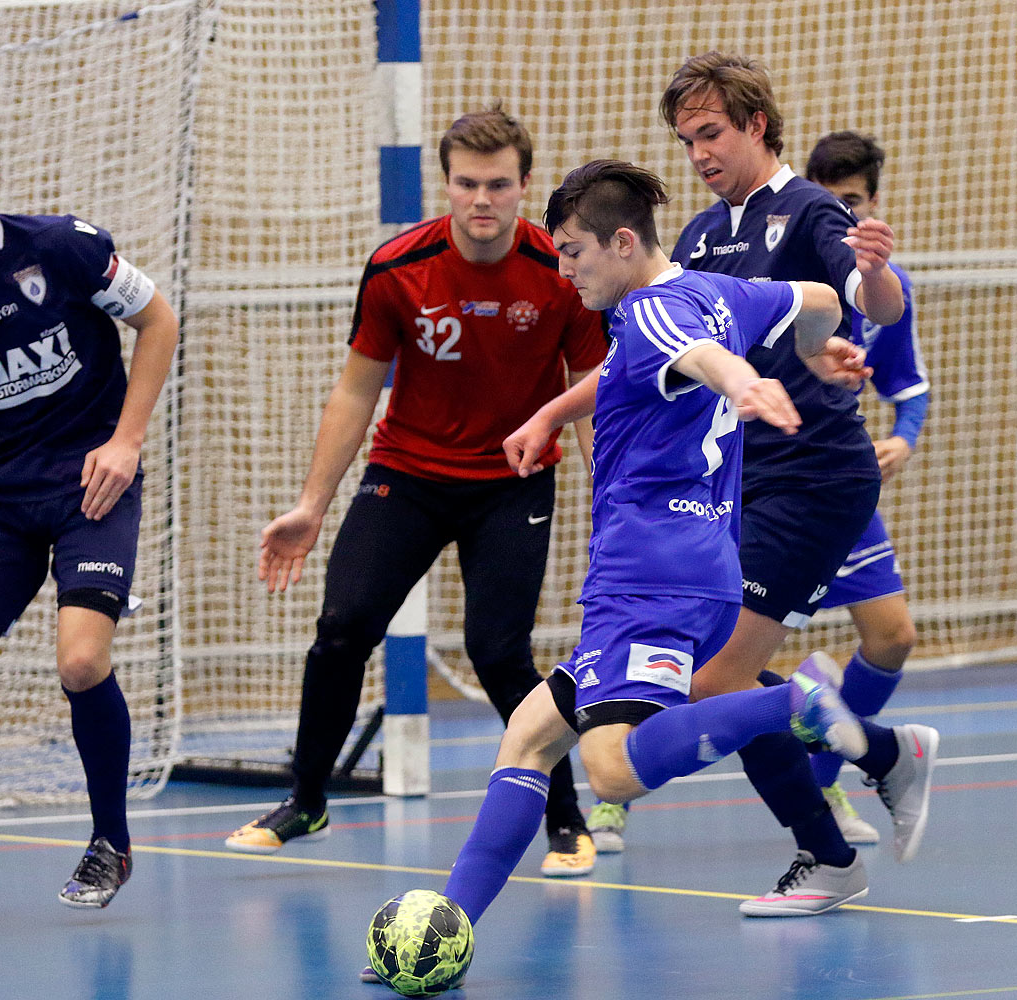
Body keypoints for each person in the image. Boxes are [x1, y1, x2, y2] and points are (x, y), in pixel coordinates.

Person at [369, 159, 879, 962]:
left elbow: (702, 358)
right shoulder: (720, 288)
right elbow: (815, 299)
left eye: (572, 252)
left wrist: (744, 380)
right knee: (532, 736)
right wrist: (819, 352)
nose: (563, 269)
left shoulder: (648, 315)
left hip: (647, 576)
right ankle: (449, 930)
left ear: (623, 241)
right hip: (699, 562)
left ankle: (795, 704)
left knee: (608, 772)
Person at [583, 52, 939, 917]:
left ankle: (841, 830)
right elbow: (661, 348)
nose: (699, 150)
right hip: (735, 488)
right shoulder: (703, 234)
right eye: (686, 138)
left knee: (713, 684)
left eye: (711, 132)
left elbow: (870, 301)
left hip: (814, 476)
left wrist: (878, 273)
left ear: (755, 126)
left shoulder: (807, 209)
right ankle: (881, 765)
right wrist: (549, 415)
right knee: (718, 682)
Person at [224, 104, 607, 878]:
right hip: (408, 473)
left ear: (525, 185)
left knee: (498, 651)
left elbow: (591, 389)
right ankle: (306, 799)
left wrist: (613, 508)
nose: (482, 201)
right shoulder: (399, 267)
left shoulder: (559, 273)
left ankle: (564, 817)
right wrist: (311, 506)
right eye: (467, 183)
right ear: (446, 183)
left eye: (499, 184)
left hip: (513, 480)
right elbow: (356, 390)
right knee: (343, 624)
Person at [0, 210, 180, 907]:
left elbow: (158, 321)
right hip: (3, 502)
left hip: (90, 484)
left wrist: (127, 442)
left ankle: (111, 841)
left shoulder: (57, 250)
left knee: (80, 660)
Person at [803, 130, 930, 843]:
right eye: (831, 204)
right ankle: (612, 798)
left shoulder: (888, 290)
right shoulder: (786, 273)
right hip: (765, 484)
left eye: (854, 203)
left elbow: (909, 387)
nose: (845, 219)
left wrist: (903, 438)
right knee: (705, 654)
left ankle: (820, 788)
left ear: (874, 204)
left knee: (892, 636)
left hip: (840, 481)